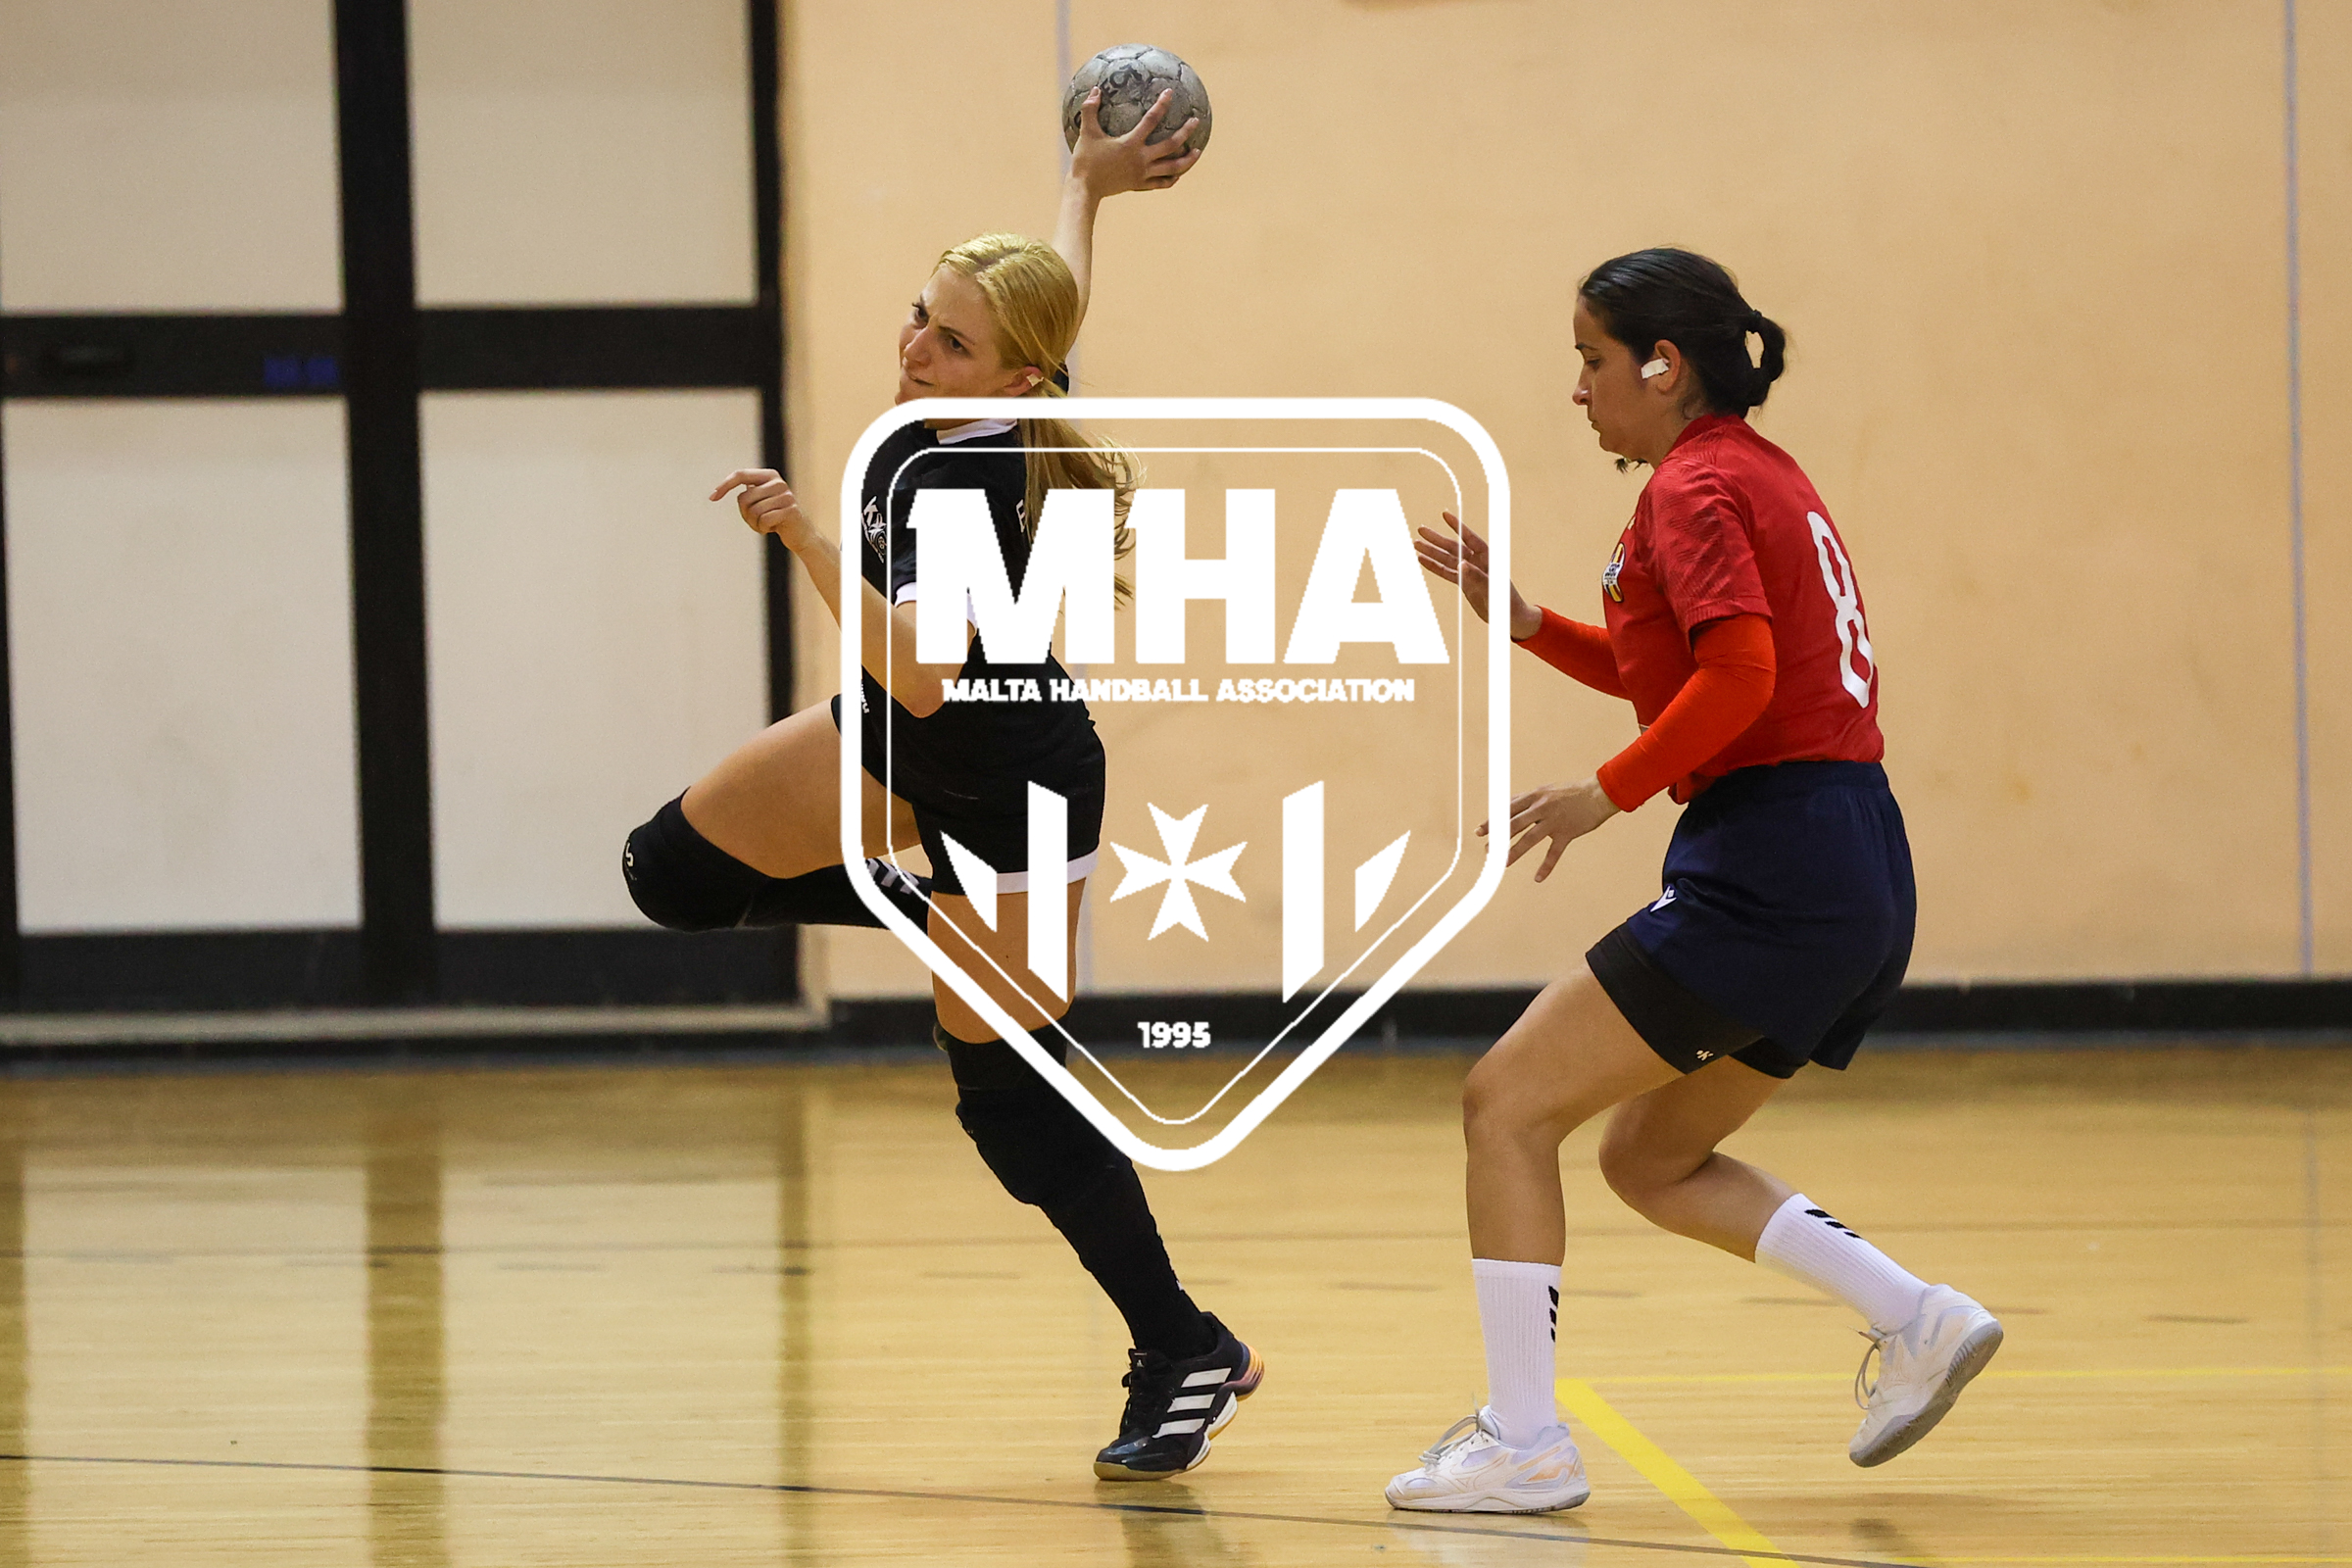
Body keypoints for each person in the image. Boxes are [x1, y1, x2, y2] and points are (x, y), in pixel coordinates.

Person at [620, 92, 1264, 1483]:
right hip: (909, 749)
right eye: (921, 313)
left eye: (949, 341)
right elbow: (1048, 309)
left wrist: (803, 535)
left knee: (1013, 1111)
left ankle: (1186, 1347)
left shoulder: (961, 492)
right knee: (669, 872)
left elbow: (917, 676)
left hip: (1007, 795)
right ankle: (931, 910)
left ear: (1011, 382)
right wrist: (1084, 187)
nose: (916, 346)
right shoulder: (1000, 391)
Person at [1384, 248, 2000, 1514]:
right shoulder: (1750, 470)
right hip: (1852, 860)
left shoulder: (1696, 486)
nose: (1578, 389)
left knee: (1506, 1105)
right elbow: (1675, 664)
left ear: (1663, 365)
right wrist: (1527, 621)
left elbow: (1740, 679)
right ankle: (1918, 1318)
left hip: (1775, 863)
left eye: (1592, 359)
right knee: (1652, 1159)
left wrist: (1602, 793)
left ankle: (1524, 1441)